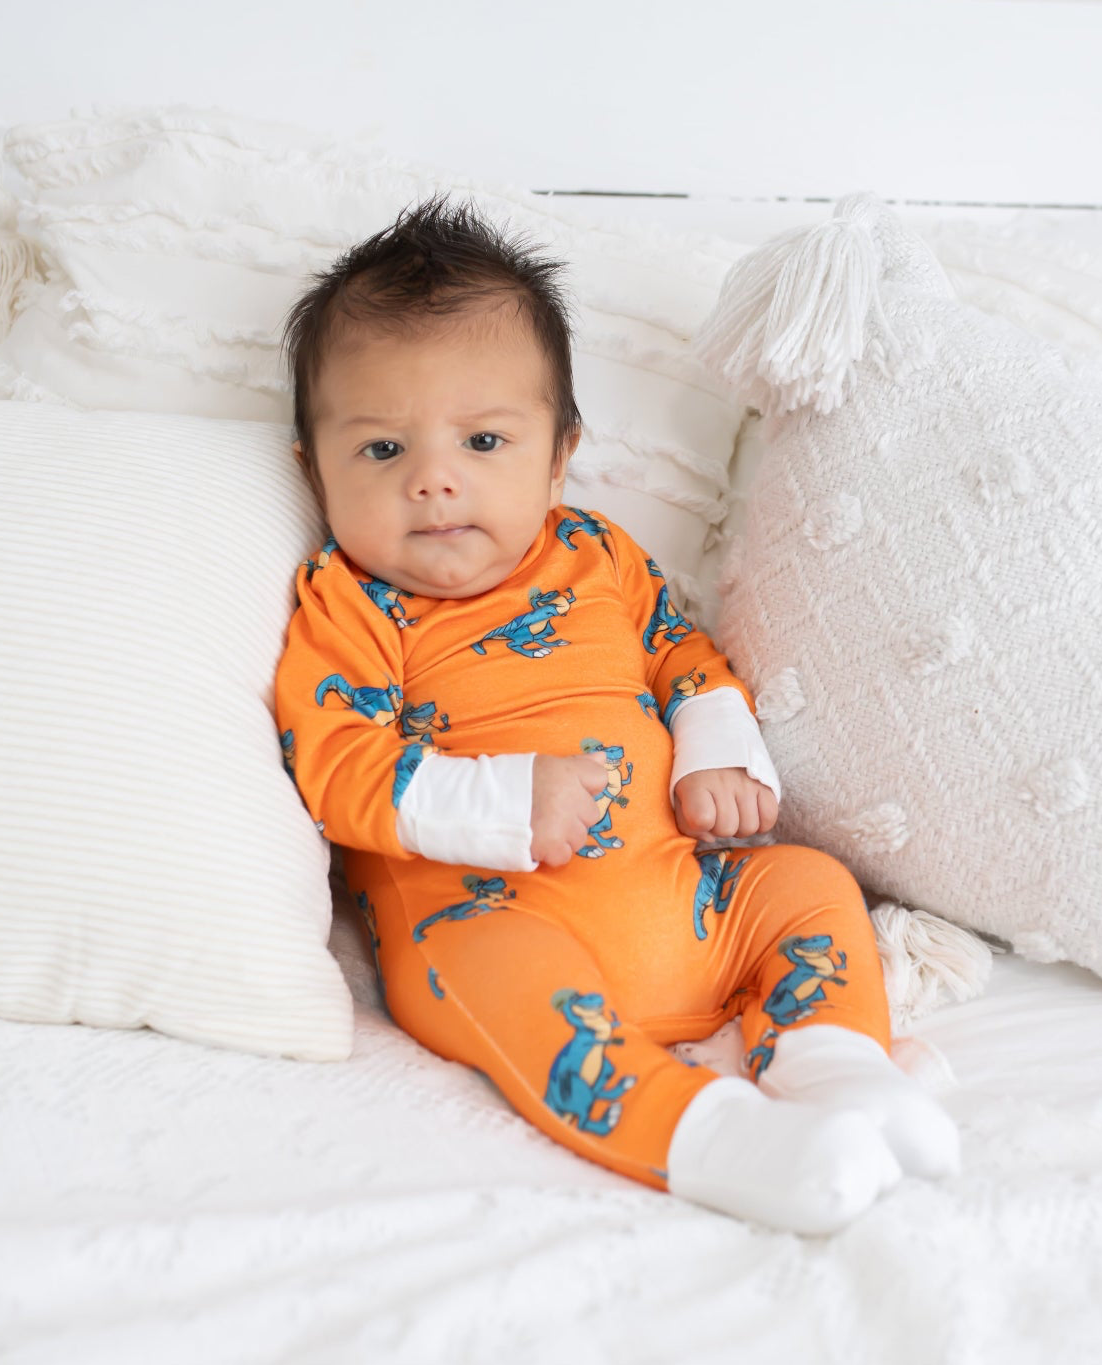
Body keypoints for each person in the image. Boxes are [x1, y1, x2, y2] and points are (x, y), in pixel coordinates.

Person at [274, 196, 960, 1234]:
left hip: (679, 891)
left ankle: (835, 1068)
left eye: (484, 438)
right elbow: (337, 766)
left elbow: (681, 651)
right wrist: (503, 801)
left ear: (558, 458)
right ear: (311, 470)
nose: (435, 479)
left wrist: (714, 752)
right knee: (489, 978)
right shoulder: (351, 604)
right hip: (497, 908)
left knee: (809, 885)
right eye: (380, 452)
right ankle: (709, 1138)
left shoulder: (596, 553)